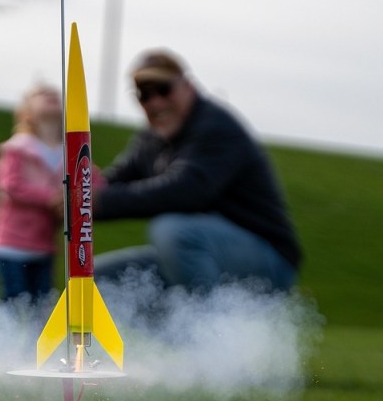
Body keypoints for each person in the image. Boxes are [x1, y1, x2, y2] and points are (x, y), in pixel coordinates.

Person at [94, 49, 302, 293]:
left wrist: (100, 201)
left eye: (163, 89)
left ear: (188, 86)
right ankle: (177, 328)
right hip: (200, 253)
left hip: (266, 257)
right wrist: (74, 196)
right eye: (144, 94)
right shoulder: (151, 138)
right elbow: (116, 180)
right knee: (98, 280)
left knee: (173, 231)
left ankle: (207, 329)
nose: (155, 102)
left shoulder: (215, 125)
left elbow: (186, 188)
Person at [0, 84, 65, 305]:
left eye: (55, 94)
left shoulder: (69, 151)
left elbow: (92, 178)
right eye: (41, 94)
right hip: (12, 244)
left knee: (41, 303)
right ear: (26, 112)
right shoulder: (16, 148)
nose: (50, 94)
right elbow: (10, 185)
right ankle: (8, 340)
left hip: (45, 245)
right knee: (13, 300)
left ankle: (37, 341)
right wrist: (51, 197)